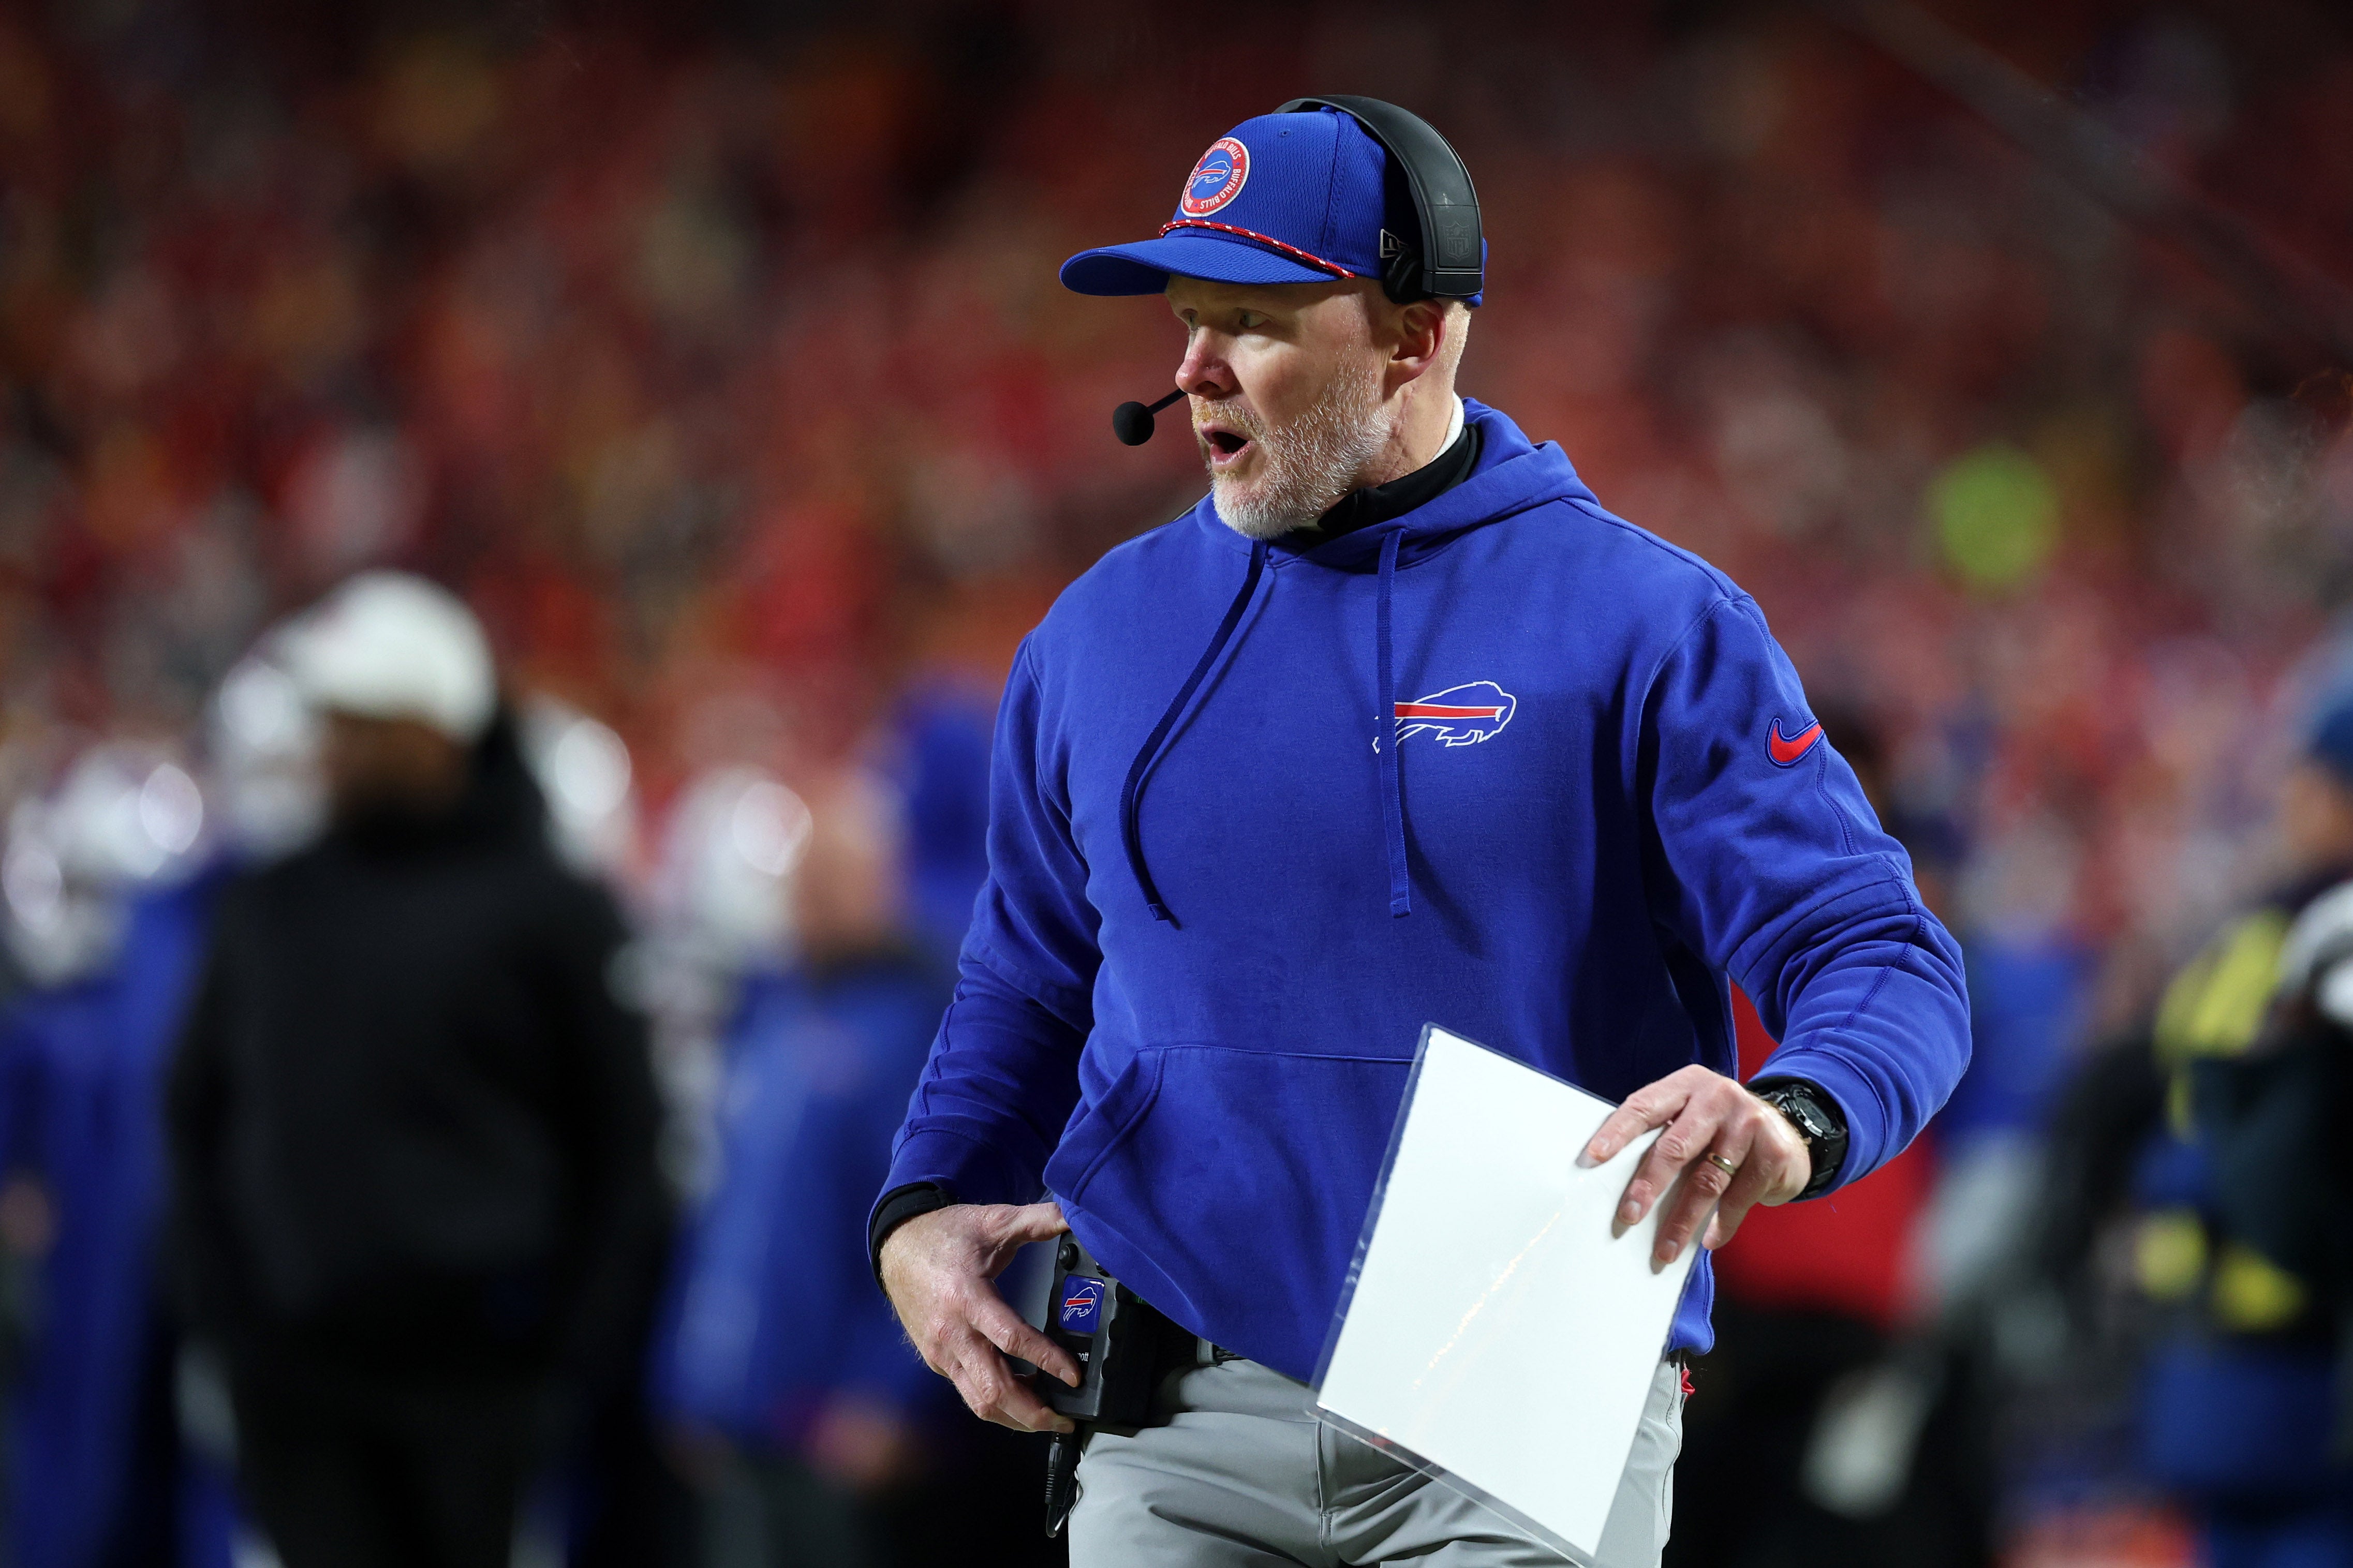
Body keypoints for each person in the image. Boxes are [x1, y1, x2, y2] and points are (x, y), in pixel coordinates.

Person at [868, 100, 1971, 1568]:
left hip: (1526, 1393)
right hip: (1173, 1408)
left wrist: (1796, 1116)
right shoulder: (1094, 638)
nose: (1191, 369)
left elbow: (1878, 952)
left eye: (1250, 322)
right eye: (1188, 320)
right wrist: (923, 1205)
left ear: (1413, 336)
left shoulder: (1644, 622)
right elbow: (1021, 981)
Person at [165, 572, 667, 1568]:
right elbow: (195, 1120)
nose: (328, 746)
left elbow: (624, 1145)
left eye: (357, 721)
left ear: (438, 730)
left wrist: (567, 1362)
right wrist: (229, 1325)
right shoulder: (270, 905)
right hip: (297, 1384)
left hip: (483, 1386)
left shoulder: (549, 911)